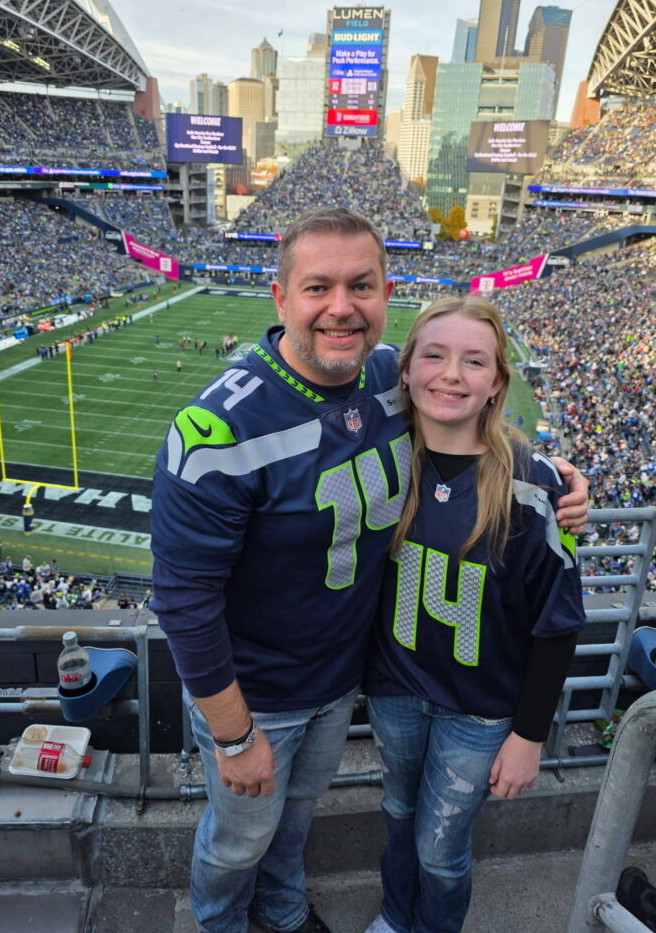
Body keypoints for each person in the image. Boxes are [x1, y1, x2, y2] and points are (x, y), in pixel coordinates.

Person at [149, 207, 588, 933]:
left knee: (291, 826)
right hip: (258, 693)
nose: (342, 307)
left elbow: (463, 405)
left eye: (363, 285)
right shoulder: (220, 430)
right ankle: (222, 923)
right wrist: (232, 734)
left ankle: (284, 910)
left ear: (389, 294)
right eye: (318, 287)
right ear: (280, 295)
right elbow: (184, 599)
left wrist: (559, 476)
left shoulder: (387, 374)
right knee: (239, 839)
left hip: (344, 678)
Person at [362, 297, 585, 933]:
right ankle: (396, 916)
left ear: (497, 383)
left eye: (473, 361)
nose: (451, 374)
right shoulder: (379, 461)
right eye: (433, 355)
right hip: (394, 689)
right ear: (404, 370)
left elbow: (558, 621)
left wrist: (529, 735)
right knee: (398, 814)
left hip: (482, 709)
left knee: (440, 845)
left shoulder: (535, 484)